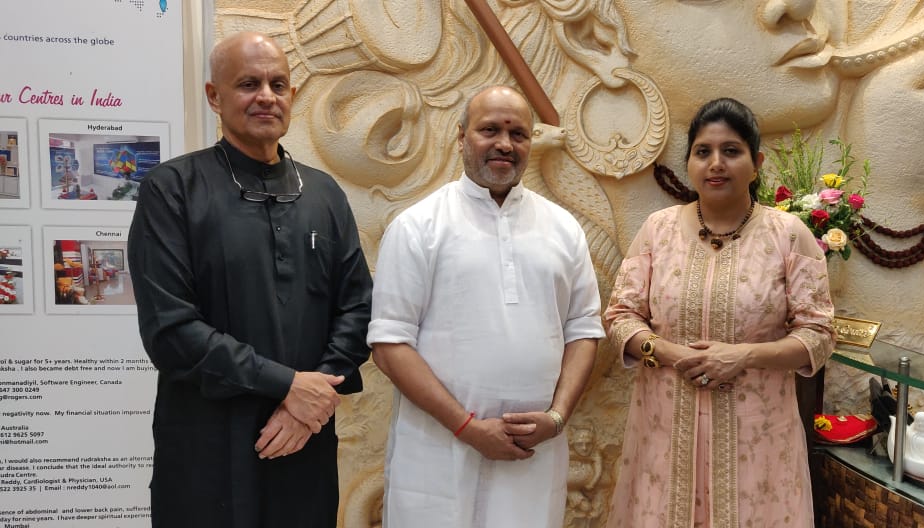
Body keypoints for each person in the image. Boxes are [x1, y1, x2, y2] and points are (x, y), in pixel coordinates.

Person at [127, 31, 372, 527]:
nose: (266, 96)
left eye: (278, 84)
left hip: (303, 449)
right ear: (214, 96)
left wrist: (309, 404)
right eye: (248, 83)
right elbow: (170, 330)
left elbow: (358, 308)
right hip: (206, 452)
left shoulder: (324, 195)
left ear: (292, 97)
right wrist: (287, 387)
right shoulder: (171, 190)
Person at [368, 85, 604, 527]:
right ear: (461, 137)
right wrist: (467, 428)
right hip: (439, 452)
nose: (504, 143)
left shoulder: (563, 228)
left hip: (533, 455)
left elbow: (584, 329)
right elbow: (389, 345)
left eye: (518, 133)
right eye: (489, 129)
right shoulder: (418, 227)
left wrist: (557, 417)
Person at [603, 98, 835, 527]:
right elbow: (620, 317)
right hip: (664, 433)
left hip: (758, 439)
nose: (716, 164)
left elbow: (818, 334)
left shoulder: (789, 235)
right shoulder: (658, 230)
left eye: (731, 151)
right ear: (689, 161)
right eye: (703, 151)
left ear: (756, 162)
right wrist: (672, 353)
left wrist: (743, 356)